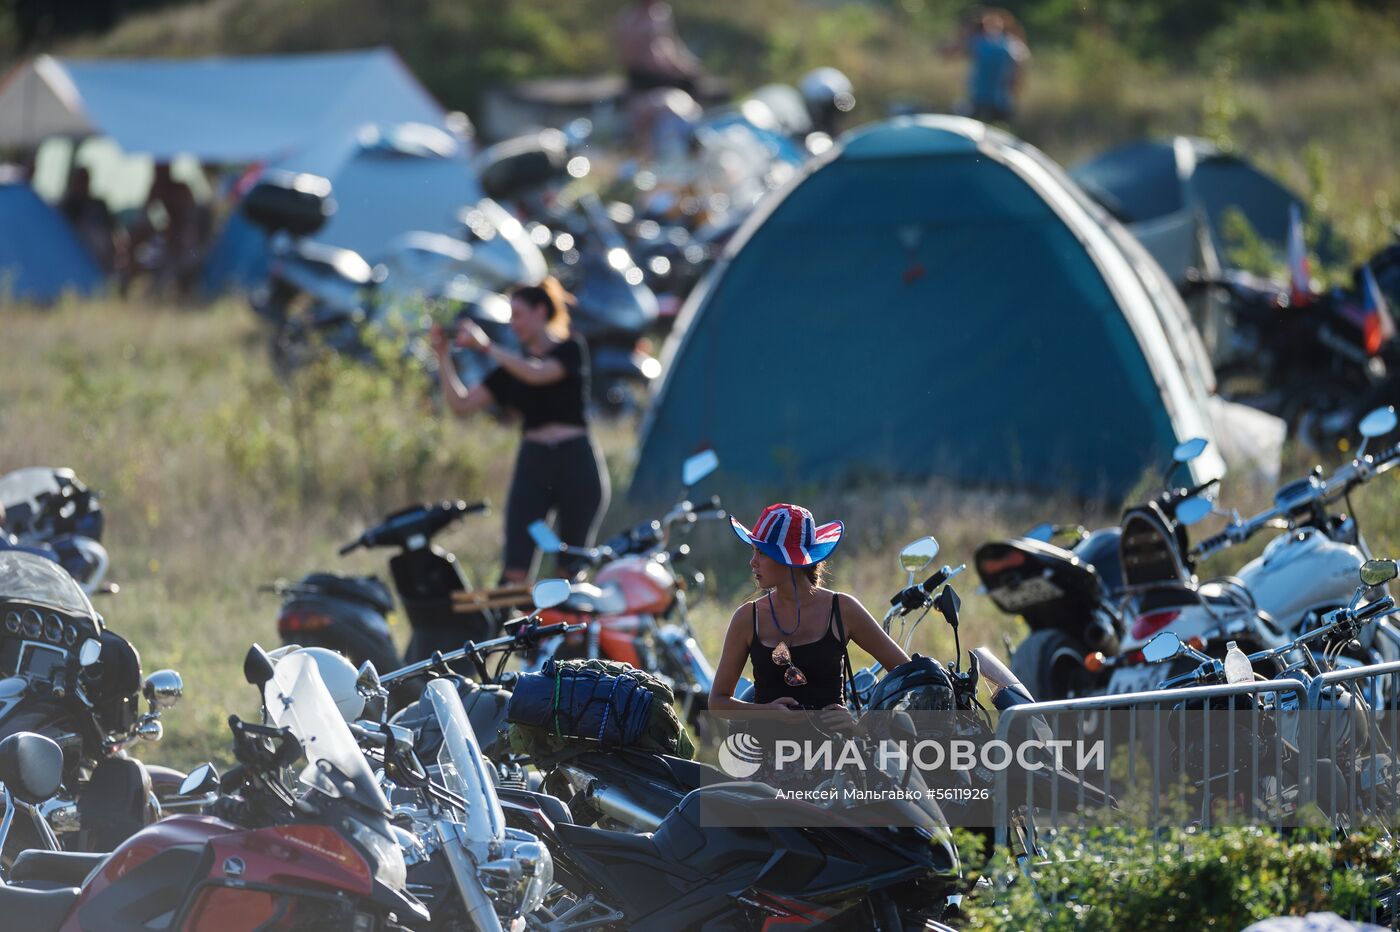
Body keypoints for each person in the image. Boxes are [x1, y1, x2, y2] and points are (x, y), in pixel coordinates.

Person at [430, 278, 610, 588]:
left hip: (575, 462)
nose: (513, 324)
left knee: (571, 569)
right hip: (535, 465)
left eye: (518, 315)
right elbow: (461, 404)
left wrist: (485, 346)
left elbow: (539, 374)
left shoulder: (570, 349)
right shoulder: (509, 369)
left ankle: (570, 633)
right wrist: (443, 356)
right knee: (515, 569)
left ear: (541, 312)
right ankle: (507, 632)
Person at [709, 504, 910, 714]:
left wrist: (861, 724)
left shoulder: (843, 609)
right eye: (754, 551)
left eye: (762, 552)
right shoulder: (748, 617)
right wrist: (768, 713)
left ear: (789, 559)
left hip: (832, 746)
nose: (753, 562)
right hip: (765, 747)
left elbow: (908, 674)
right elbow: (717, 702)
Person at [948, 9, 1029, 124]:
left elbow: (950, 52)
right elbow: (1018, 76)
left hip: (986, 98)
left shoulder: (979, 42)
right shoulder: (1013, 44)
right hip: (994, 99)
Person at [615, 0, 703, 96]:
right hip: (643, 74)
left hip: (663, 70)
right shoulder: (631, 19)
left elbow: (671, 42)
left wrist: (685, 64)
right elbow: (627, 55)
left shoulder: (661, 13)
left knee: (692, 80)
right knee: (686, 85)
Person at [59, 165, 119, 274]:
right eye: (79, 180)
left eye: (84, 179)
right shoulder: (65, 207)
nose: (82, 184)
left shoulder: (99, 205)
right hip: (72, 256)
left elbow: (113, 232)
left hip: (98, 260)